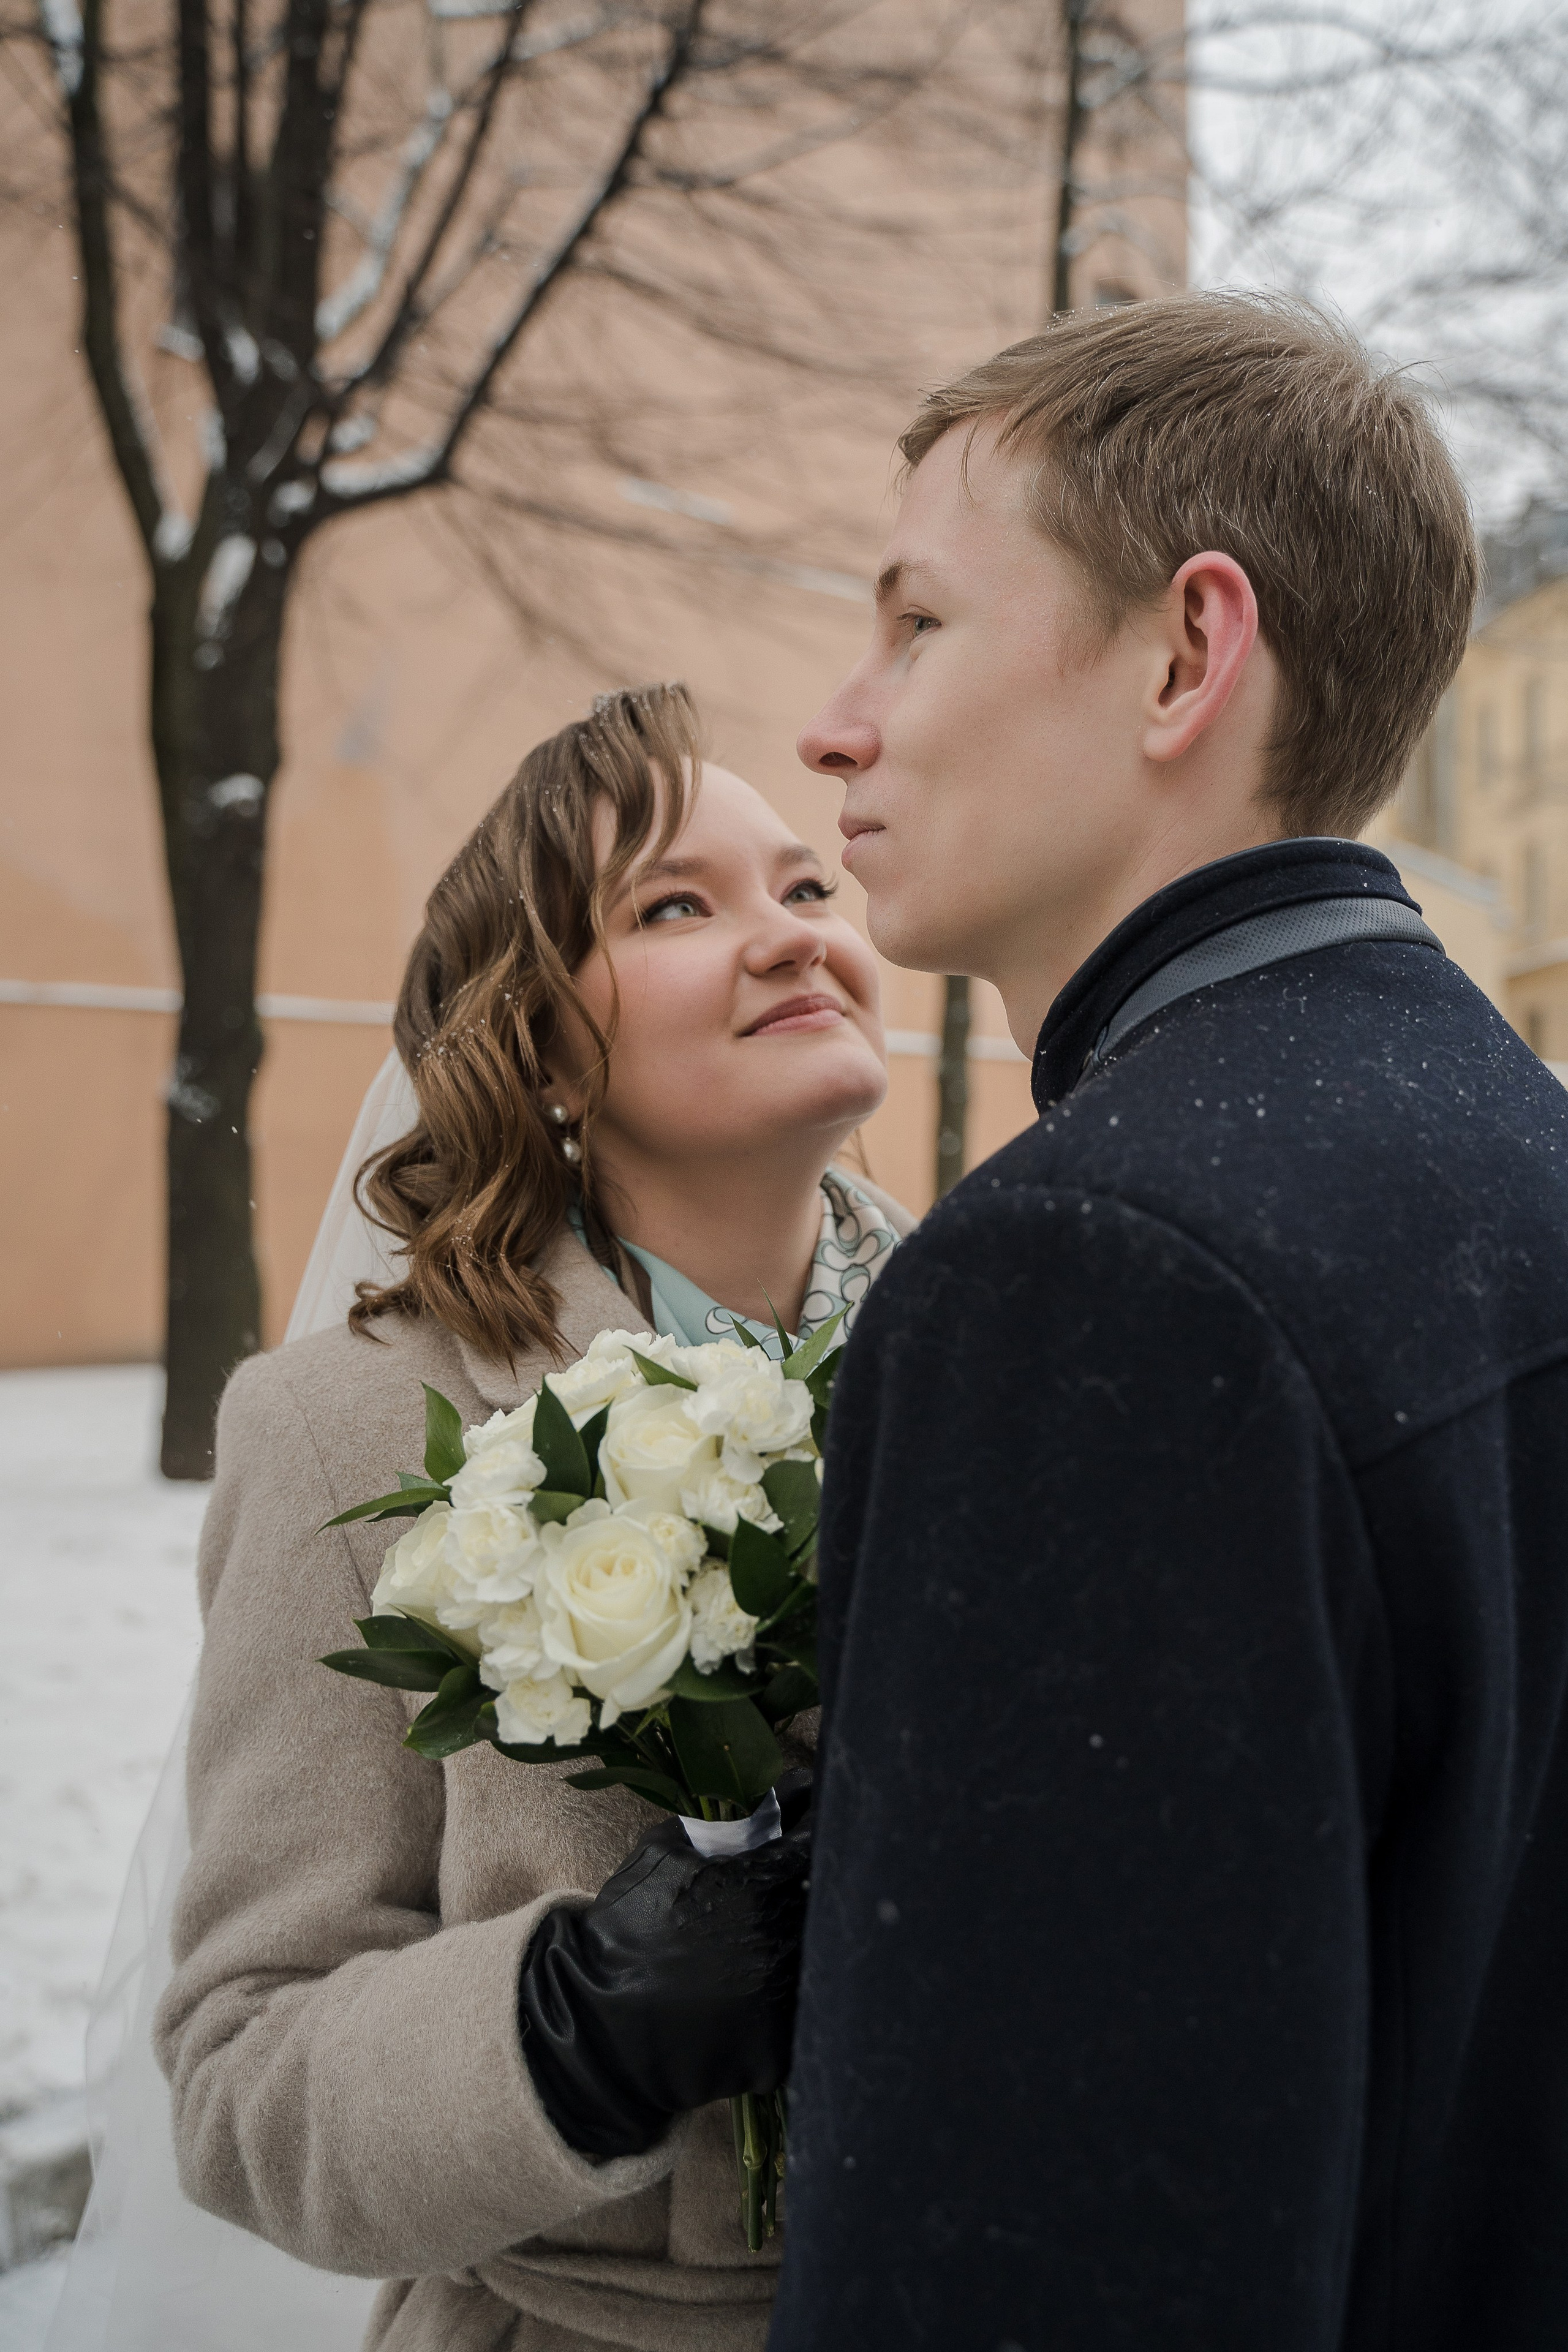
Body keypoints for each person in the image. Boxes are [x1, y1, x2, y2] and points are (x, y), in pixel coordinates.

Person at [769, 292, 1568, 2351]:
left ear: (1190, 653)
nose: (835, 722)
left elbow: (1032, 2260)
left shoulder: (1098, 1273)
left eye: (919, 623)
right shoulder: (1517, 1148)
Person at [135, 683, 907, 2352]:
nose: (787, 936)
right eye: (677, 904)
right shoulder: (352, 1425)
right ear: (547, 1041)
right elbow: (241, 2077)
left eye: (806, 888)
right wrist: (574, 2027)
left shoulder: (1026, 1339)